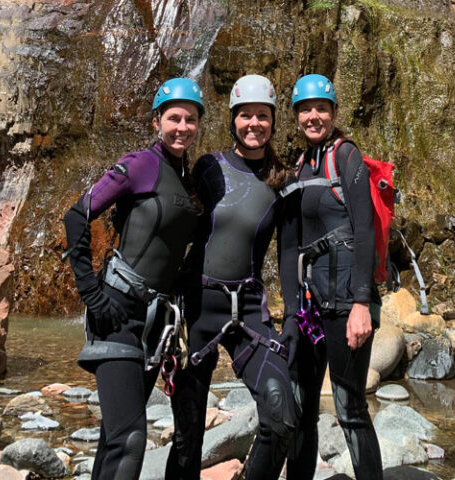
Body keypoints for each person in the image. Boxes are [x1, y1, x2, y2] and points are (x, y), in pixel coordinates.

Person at [63, 77, 204, 480]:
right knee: (130, 439)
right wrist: (88, 288)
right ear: (157, 120)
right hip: (117, 310)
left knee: (114, 436)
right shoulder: (141, 164)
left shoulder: (186, 178)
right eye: (174, 118)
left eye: (190, 119)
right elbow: (77, 215)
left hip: (156, 320)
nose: (182, 127)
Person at [165, 73, 298, 480]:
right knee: (188, 437)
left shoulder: (283, 181)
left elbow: (289, 253)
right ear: (233, 120)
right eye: (245, 116)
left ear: (274, 122)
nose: (254, 123)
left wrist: (292, 318)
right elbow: (175, 222)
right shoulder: (208, 168)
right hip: (198, 309)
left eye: (262, 115)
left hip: (250, 311)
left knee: (281, 419)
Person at [281, 73, 383, 480]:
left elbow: (365, 231)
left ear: (334, 112)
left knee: (350, 408)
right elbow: (289, 245)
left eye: (321, 108)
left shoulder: (346, 157)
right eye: (305, 109)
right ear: (296, 116)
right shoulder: (300, 165)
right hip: (311, 305)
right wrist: (291, 310)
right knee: (301, 408)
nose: (313, 116)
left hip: (346, 303)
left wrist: (362, 304)